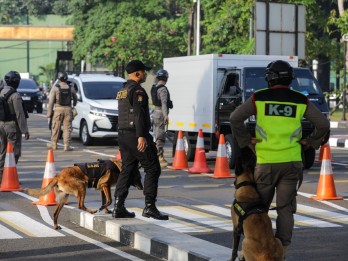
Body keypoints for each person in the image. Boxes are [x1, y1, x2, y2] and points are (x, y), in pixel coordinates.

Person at [229, 60, 330, 259]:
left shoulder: (259, 98)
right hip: (292, 162)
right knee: (285, 209)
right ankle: (281, 251)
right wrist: (311, 142)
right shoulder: (300, 99)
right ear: (290, 78)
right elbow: (323, 124)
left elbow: (234, 118)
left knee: (259, 210)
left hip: (266, 162)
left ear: (269, 78)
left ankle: (256, 253)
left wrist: (245, 141)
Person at [112, 60, 168, 220]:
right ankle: (150, 207)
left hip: (123, 135)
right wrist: (141, 136)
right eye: (143, 72)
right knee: (153, 168)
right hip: (135, 135)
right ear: (137, 73)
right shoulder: (138, 91)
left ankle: (118, 206)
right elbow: (138, 114)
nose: (145, 74)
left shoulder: (123, 89)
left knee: (128, 169)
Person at [0, 71, 30, 182]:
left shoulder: (1, 92)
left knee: (3, 151)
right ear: (16, 82)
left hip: (1, 126)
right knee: (14, 153)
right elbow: (20, 115)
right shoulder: (15, 95)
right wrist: (25, 130)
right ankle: (9, 177)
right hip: (12, 127)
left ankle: (1, 176)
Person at [47, 72, 77, 151]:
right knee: (67, 128)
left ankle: (54, 144)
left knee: (56, 127)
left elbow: (51, 102)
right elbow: (75, 98)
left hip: (58, 109)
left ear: (59, 78)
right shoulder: (71, 88)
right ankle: (66, 145)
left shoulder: (55, 88)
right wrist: (74, 105)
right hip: (68, 109)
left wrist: (49, 113)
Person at [150, 69, 173, 167]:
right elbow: (164, 103)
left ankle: (156, 156)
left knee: (156, 135)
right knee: (160, 136)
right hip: (160, 114)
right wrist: (166, 115)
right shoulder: (163, 89)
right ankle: (160, 157)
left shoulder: (154, 88)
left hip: (155, 113)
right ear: (165, 78)